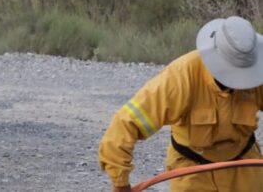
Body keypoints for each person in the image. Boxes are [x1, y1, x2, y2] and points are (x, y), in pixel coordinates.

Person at [99, 16, 263, 192]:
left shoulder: (258, 71)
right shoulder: (180, 77)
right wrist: (120, 182)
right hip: (193, 172)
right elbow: (125, 123)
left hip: (245, 168)